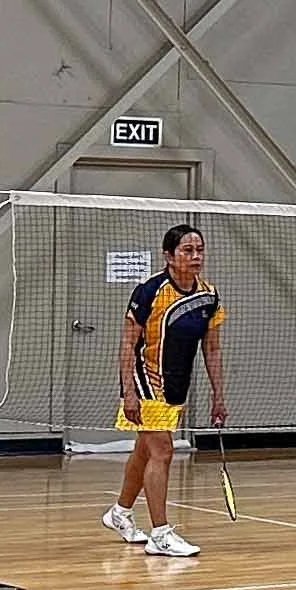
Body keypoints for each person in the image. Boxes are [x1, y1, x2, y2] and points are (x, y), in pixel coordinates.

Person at [103, 222, 224, 559]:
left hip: (176, 384)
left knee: (145, 451)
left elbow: (211, 349)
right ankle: (161, 534)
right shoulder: (149, 291)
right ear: (169, 256)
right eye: (187, 250)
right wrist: (128, 391)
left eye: (199, 249)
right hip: (145, 380)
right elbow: (128, 344)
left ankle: (120, 513)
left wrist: (218, 395)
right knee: (163, 451)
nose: (196, 256)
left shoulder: (209, 295)